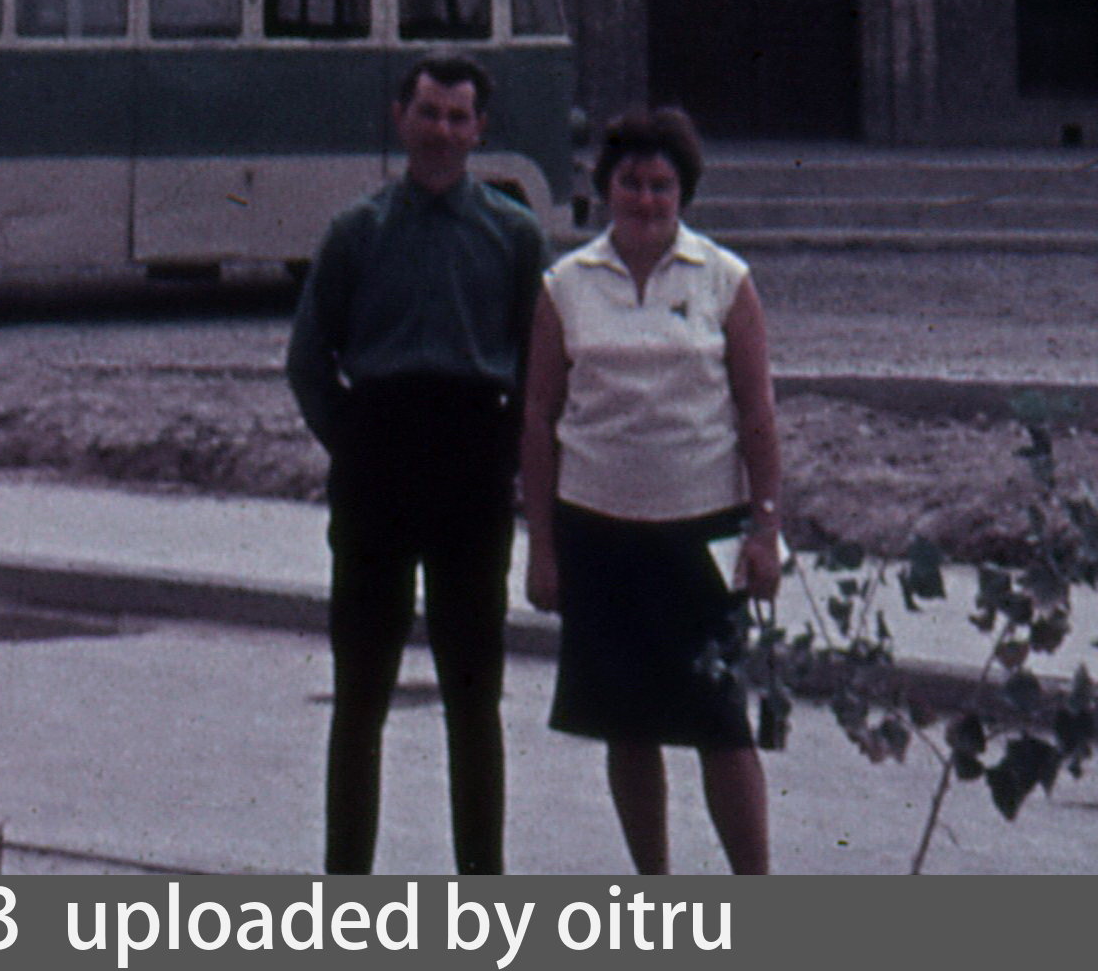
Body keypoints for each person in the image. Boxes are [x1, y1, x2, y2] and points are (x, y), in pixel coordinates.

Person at [285, 53, 548, 874]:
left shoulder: (514, 235)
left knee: (475, 698)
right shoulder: (356, 232)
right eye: (428, 112)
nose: (441, 130)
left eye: (457, 116)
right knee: (360, 695)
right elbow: (306, 359)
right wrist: (358, 442)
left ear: (479, 130)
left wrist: (502, 453)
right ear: (400, 119)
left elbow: (543, 367)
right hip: (377, 468)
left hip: (471, 467)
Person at [519, 104, 782, 878]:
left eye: (661, 185)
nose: (645, 199)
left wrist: (765, 530)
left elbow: (758, 412)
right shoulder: (565, 284)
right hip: (598, 533)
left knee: (721, 726)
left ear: (683, 192)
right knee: (627, 725)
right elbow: (538, 417)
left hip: (702, 537)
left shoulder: (726, 281)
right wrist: (542, 545)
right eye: (631, 183)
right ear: (606, 189)